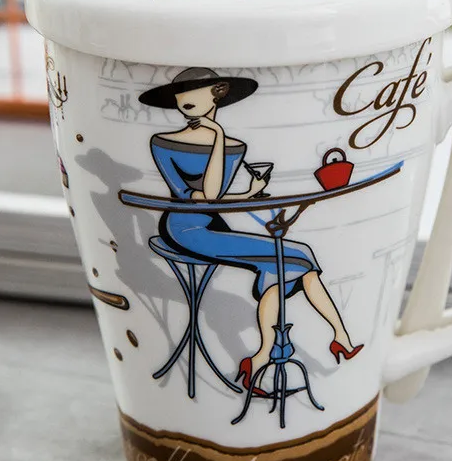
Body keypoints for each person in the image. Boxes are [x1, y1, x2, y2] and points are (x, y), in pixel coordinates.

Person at [140, 67, 362, 396]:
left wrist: (247, 193)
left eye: (195, 90)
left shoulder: (236, 148)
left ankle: (260, 360)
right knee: (299, 254)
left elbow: (213, 197)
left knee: (278, 265)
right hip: (184, 228)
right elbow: (203, 197)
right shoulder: (164, 143)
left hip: (212, 224)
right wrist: (217, 135)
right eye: (180, 92)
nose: (184, 98)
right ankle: (337, 339)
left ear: (217, 93)